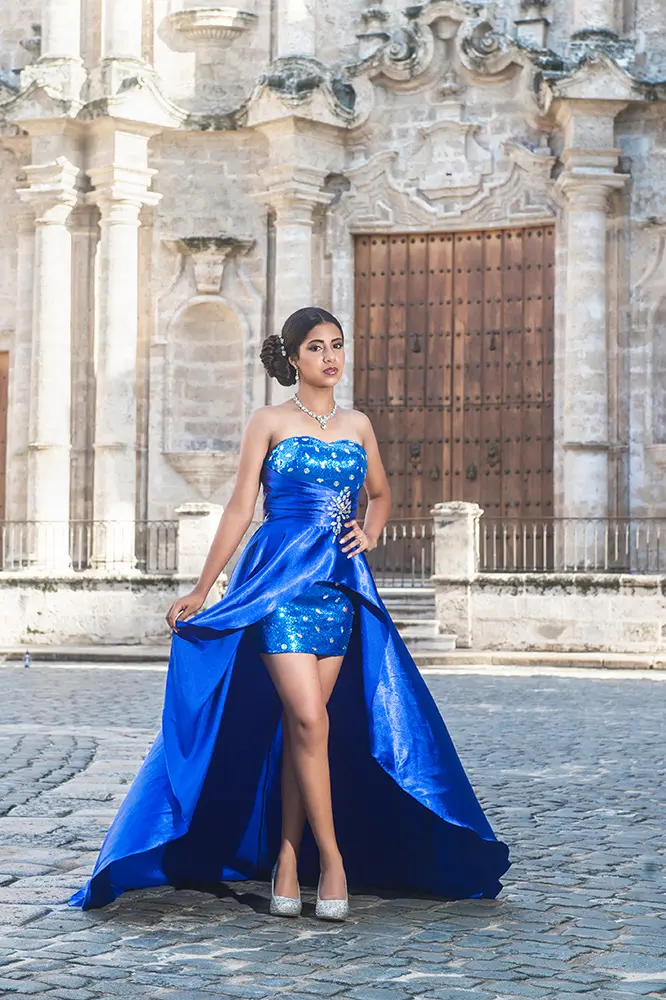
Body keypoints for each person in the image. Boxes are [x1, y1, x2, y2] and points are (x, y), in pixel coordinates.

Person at [68, 306, 510, 918]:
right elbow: (239, 508)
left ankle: (285, 854)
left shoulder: (358, 424)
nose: (331, 357)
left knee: (309, 727)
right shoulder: (269, 421)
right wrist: (204, 587)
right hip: (279, 584)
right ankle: (331, 861)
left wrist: (371, 530)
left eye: (337, 345)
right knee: (307, 717)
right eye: (317, 347)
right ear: (294, 357)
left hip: (338, 587)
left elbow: (381, 494)